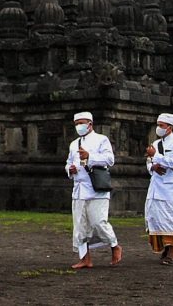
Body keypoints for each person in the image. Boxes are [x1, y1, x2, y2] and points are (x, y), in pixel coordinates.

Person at [65, 111, 121, 269]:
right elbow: (68, 162)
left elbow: (110, 160)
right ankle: (85, 258)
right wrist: (71, 169)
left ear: (90, 124)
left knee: (98, 221)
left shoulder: (101, 140)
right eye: (76, 124)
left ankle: (114, 245)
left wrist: (90, 156)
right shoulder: (74, 144)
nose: (79, 126)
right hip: (79, 188)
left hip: (96, 187)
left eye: (81, 123)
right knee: (80, 225)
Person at [145, 112, 173, 265]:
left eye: (161, 125)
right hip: (155, 187)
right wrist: (152, 166)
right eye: (158, 125)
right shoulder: (155, 143)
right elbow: (148, 162)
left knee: (170, 219)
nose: (159, 128)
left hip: (170, 188)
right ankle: (163, 248)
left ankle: (171, 251)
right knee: (156, 218)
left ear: (170, 127)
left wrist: (157, 157)